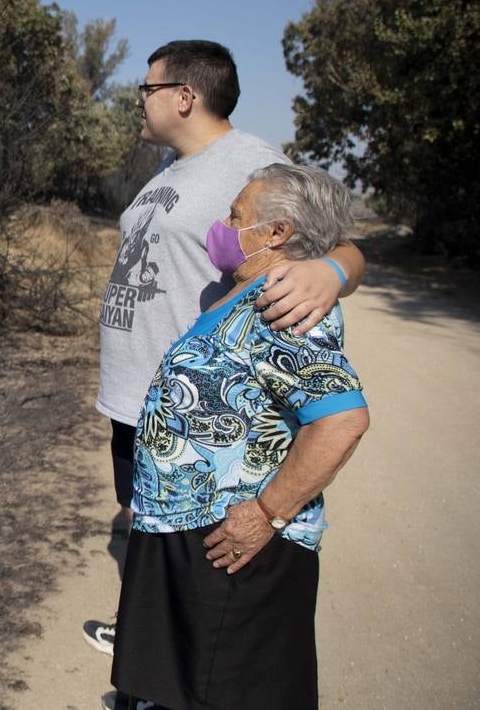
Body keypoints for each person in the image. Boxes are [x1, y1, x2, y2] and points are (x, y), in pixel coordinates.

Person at [84, 41, 365, 669]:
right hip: (137, 397)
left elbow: (331, 237)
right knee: (144, 521)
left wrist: (329, 272)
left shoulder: (250, 161)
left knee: (196, 553)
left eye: (147, 88)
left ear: (184, 96)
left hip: (198, 417)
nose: (139, 100)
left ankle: (178, 663)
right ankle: (144, 637)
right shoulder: (170, 171)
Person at [109, 163, 370, 709]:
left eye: (236, 215)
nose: (222, 226)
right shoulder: (239, 292)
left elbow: (341, 419)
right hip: (190, 534)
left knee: (226, 690)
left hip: (233, 544)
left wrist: (267, 513)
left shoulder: (285, 305)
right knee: (182, 686)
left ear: (276, 233)